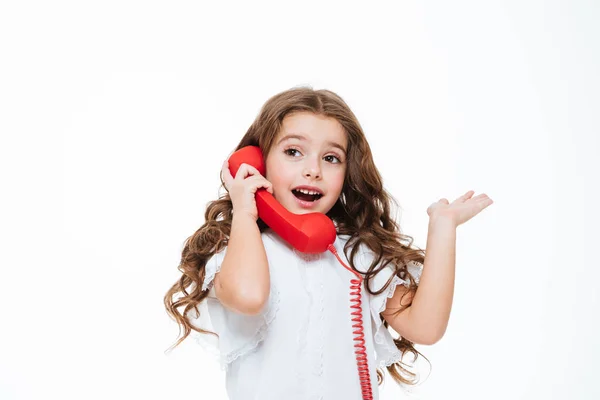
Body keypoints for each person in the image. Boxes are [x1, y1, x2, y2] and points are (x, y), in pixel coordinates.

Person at [164, 87, 494, 400]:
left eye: (331, 158)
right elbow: (249, 296)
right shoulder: (236, 250)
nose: (313, 170)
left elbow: (426, 327)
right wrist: (246, 210)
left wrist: (443, 227)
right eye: (293, 152)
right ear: (257, 163)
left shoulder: (358, 255)